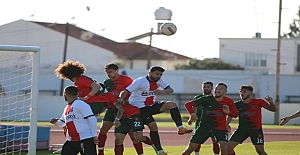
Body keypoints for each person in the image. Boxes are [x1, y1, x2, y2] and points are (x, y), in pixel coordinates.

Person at [117, 66, 193, 155]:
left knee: (172, 105)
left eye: (160, 74)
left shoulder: (159, 81)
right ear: (150, 73)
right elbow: (125, 91)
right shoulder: (140, 81)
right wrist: (121, 98)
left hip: (151, 105)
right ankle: (160, 151)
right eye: (157, 74)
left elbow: (170, 90)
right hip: (140, 107)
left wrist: (162, 92)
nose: (159, 76)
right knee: (153, 127)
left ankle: (180, 128)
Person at [97, 63, 147, 155]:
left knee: (133, 136)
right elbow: (106, 97)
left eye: (110, 72)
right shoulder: (107, 82)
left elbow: (133, 91)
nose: (108, 74)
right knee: (103, 129)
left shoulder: (126, 80)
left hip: (127, 109)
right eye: (107, 72)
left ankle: (141, 153)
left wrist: (125, 100)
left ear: (116, 71)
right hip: (113, 109)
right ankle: (100, 152)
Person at [182, 82, 238, 155]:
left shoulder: (229, 101)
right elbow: (188, 104)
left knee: (225, 148)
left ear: (225, 92)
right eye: (216, 88)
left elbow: (235, 114)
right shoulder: (206, 99)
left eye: (220, 89)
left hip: (220, 129)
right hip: (204, 128)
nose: (217, 90)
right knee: (190, 149)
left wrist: (228, 112)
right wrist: (192, 114)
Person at [227, 85, 277, 155]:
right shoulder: (237, 104)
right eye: (241, 91)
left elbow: (274, 109)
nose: (242, 93)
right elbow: (230, 115)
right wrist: (227, 124)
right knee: (228, 147)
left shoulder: (258, 101)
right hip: (242, 130)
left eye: (244, 91)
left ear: (250, 93)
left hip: (256, 130)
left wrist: (271, 102)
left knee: (260, 151)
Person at [50, 86, 98, 155]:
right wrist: (55, 122)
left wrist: (94, 135)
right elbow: (62, 123)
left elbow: (92, 118)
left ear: (65, 93)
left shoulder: (80, 104)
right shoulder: (67, 108)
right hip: (71, 140)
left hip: (85, 138)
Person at [187, 81, 220, 155]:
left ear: (212, 88)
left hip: (213, 123)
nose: (206, 88)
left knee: (215, 141)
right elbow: (194, 107)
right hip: (199, 122)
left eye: (208, 87)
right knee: (197, 140)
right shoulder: (198, 97)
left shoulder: (215, 98)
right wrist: (191, 117)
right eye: (204, 87)